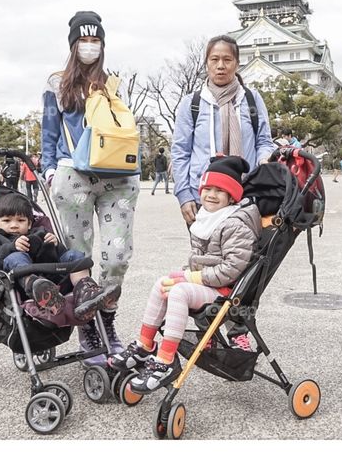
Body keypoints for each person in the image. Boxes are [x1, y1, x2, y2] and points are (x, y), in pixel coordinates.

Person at [109, 157, 259, 393]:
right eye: (207, 188)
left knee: (178, 291)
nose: (211, 194)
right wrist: (187, 274)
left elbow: (231, 269)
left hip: (226, 290)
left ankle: (165, 360)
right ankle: (145, 344)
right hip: (209, 282)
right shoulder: (208, 218)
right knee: (163, 283)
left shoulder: (235, 224)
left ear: (232, 197)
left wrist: (191, 278)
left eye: (220, 190)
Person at [41, 10, 139, 365]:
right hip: (74, 175)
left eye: (96, 40)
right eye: (84, 40)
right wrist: (50, 170)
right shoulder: (56, 85)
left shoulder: (112, 83)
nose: (90, 46)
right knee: (77, 256)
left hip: (118, 177)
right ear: (73, 44)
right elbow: (48, 134)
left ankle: (108, 320)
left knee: (117, 257)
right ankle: (88, 329)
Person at [170, 34, 274, 351]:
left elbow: (264, 141)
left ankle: (238, 327)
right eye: (214, 59)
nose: (220, 65)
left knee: (247, 266)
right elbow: (180, 152)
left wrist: (267, 160)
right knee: (206, 262)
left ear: (237, 63)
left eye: (227, 59)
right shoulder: (192, 104)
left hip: (245, 198)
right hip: (205, 197)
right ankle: (209, 326)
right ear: (206, 63)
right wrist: (184, 195)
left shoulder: (252, 101)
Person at [0, 193, 120, 326]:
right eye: (7, 221)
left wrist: (56, 244)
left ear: (29, 224)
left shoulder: (39, 232)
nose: (14, 225)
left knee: (74, 255)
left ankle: (85, 292)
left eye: (20, 220)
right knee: (15, 257)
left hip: (53, 278)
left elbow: (61, 257)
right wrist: (11, 247)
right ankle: (38, 288)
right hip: (23, 285)